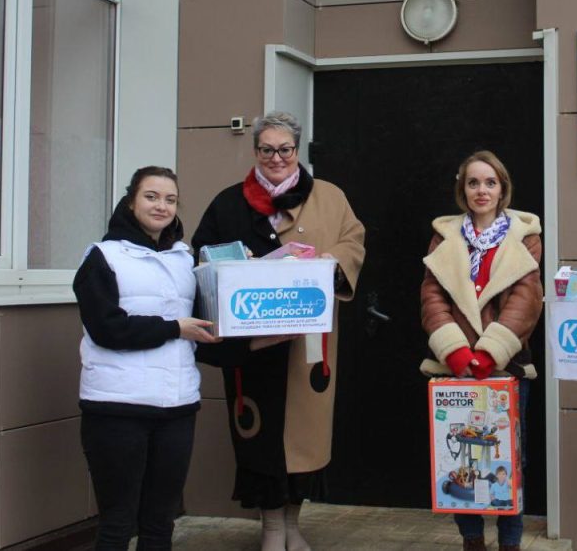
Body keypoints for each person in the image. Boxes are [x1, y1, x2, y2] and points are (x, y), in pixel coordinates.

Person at [191, 111, 365, 551]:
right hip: (252, 346)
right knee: (260, 435)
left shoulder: (330, 197)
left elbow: (353, 241)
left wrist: (328, 263)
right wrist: (237, 265)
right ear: (255, 151)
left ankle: (292, 524)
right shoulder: (228, 203)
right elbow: (203, 254)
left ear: (297, 150)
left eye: (285, 149)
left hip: (307, 346)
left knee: (304, 440)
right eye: (267, 150)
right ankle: (270, 527)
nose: (276, 158)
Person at [73, 166, 219, 550]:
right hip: (116, 408)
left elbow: (203, 323)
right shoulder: (101, 257)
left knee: (159, 523)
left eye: (170, 199)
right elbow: (107, 329)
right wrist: (174, 328)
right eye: (151, 196)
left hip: (177, 406)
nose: (161, 206)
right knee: (118, 523)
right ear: (131, 201)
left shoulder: (185, 260)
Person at [420, 150, 543, 551]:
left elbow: (526, 300)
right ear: (463, 189)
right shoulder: (445, 236)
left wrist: (490, 354)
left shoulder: (525, 236)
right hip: (455, 369)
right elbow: (432, 296)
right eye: (473, 182)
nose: (481, 190)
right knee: (461, 461)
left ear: (502, 188)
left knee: (507, 459)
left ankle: (510, 542)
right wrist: (456, 352)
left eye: (490, 182)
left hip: (505, 369)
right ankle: (471, 540)